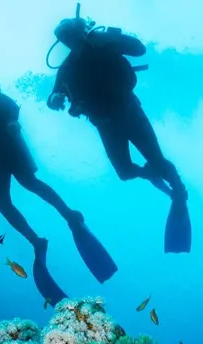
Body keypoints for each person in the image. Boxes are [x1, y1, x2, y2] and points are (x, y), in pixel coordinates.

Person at [0, 76, 117, 304]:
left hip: (10, 148)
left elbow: (13, 109)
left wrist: (10, 121)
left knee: (30, 184)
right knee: (5, 202)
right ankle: (37, 239)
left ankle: (67, 216)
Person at [46, 15, 192, 253]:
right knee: (124, 172)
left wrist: (113, 37)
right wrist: (54, 99)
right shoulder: (67, 68)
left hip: (130, 112)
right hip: (106, 125)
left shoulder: (106, 43)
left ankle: (178, 190)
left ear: (82, 31)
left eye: (72, 35)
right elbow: (54, 95)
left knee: (157, 159)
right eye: (65, 39)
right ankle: (156, 179)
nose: (71, 42)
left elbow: (140, 49)